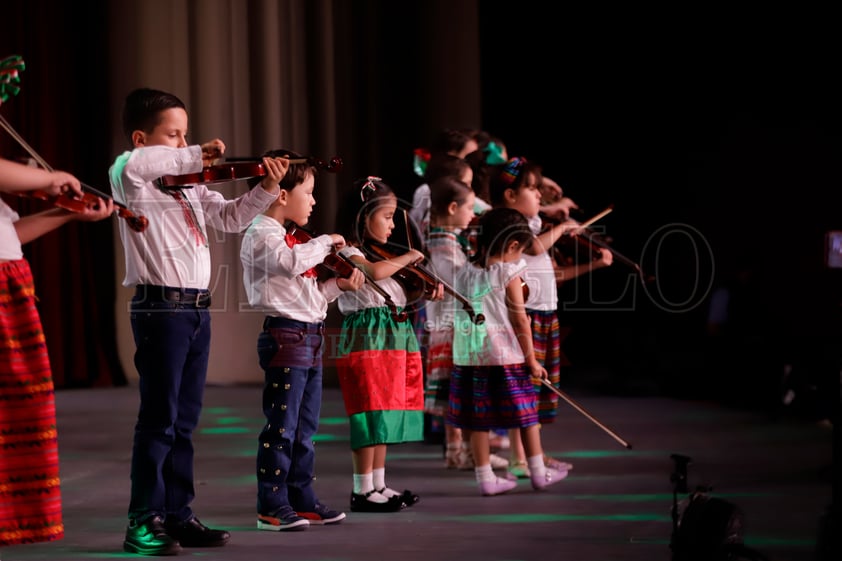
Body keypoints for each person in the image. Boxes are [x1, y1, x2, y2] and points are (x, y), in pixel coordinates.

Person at [109, 87, 289, 556]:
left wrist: (267, 187)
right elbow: (136, 164)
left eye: (185, 133)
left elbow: (230, 219)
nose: (183, 144)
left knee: (184, 421)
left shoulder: (187, 183)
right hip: (160, 309)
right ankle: (141, 521)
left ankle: (177, 514)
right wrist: (193, 152)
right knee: (159, 420)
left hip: (194, 309)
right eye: (173, 135)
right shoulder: (130, 173)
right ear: (140, 137)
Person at [239, 149, 364, 531]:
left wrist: (337, 286)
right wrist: (326, 241)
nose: (313, 200)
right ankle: (271, 503)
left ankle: (300, 497)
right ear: (281, 194)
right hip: (286, 335)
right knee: (282, 426)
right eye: (309, 192)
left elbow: (309, 298)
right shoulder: (261, 232)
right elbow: (291, 264)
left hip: (309, 333)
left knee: (306, 429)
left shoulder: (293, 238)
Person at [0, 158, 115, 549]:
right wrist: (50, 179)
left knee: (19, 415)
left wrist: (65, 214)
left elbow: (9, 236)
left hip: (10, 285)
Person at [488, 157, 613, 479]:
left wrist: (593, 265)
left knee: (539, 389)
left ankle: (535, 453)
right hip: (527, 314)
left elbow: (553, 275)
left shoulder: (532, 224)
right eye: (531, 189)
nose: (539, 195)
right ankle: (522, 457)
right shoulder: (514, 225)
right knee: (526, 388)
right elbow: (532, 250)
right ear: (511, 196)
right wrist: (561, 225)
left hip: (545, 314)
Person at [334, 176, 443, 513]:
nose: (393, 225)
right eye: (387, 216)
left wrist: (423, 288)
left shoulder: (379, 255)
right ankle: (361, 489)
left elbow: (395, 290)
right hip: (369, 334)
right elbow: (374, 273)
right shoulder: (348, 252)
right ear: (363, 217)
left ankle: (378, 484)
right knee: (369, 410)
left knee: (386, 408)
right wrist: (410, 256)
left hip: (392, 333)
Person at [448, 206, 569, 496]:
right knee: (527, 415)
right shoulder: (510, 273)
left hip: (470, 357)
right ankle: (539, 473)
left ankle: (485, 477)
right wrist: (532, 359)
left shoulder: (465, 271)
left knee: (478, 420)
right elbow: (519, 319)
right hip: (506, 356)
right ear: (513, 245)